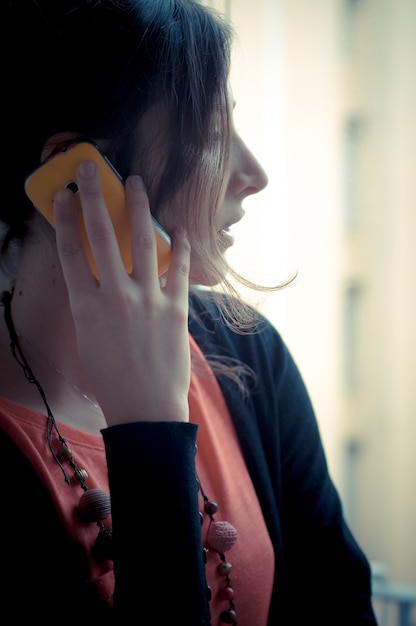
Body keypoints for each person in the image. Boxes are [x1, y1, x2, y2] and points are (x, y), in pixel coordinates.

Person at [1, 1, 378, 624]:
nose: (254, 175)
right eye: (210, 138)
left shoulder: (248, 352)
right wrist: (148, 426)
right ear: (76, 178)